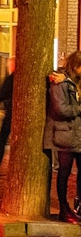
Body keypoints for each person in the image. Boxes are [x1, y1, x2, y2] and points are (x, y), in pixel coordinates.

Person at [47, 51, 81, 221]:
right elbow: (61, 109)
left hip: (78, 134)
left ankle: (78, 206)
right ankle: (63, 209)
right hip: (66, 135)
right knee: (64, 172)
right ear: (75, 66)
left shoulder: (77, 82)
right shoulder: (60, 82)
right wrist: (79, 109)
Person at [0, 58, 15, 171]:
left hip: (11, 112)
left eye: (9, 65)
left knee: (3, 136)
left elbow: (0, 94)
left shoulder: (11, 78)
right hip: (15, 112)